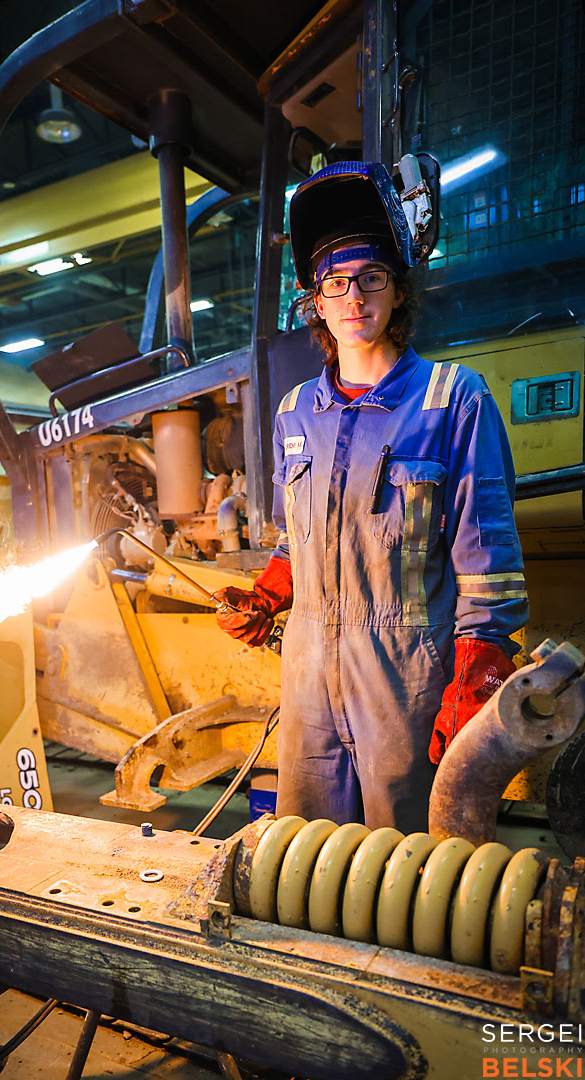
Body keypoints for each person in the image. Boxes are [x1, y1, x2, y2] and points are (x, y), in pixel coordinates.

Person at [214, 162, 528, 834]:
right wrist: (267, 595)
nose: (354, 296)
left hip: (406, 674)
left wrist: (479, 669)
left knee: (410, 862)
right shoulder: (296, 411)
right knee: (310, 858)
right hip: (306, 676)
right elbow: (295, 539)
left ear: (398, 290)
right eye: (336, 282)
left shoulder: (454, 399)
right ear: (317, 302)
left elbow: (489, 562)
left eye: (372, 277)